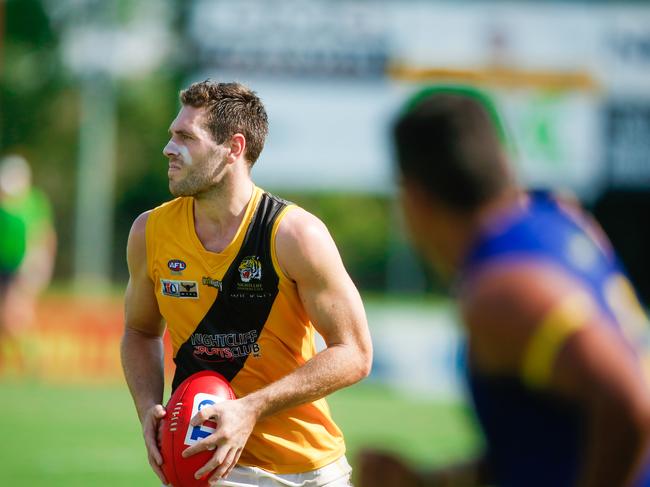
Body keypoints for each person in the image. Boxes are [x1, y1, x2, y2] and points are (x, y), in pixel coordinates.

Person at [358, 87, 650, 487]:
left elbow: (631, 404)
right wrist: (428, 481)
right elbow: (545, 447)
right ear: (504, 163)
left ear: (414, 199)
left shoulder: (501, 290)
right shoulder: (565, 219)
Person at [120, 80, 373, 487]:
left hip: (307, 470)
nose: (169, 148)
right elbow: (139, 331)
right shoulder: (149, 232)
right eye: (171, 135)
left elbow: (355, 353)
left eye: (185, 137)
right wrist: (147, 406)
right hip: (204, 464)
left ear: (233, 148)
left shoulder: (295, 236)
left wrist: (250, 408)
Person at [0, 155, 56, 370]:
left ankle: (32, 361)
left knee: (13, 315)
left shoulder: (33, 202)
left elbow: (43, 235)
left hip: (23, 266)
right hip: (4, 266)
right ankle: (21, 361)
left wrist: (40, 266)